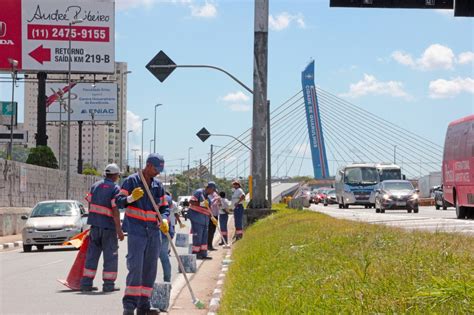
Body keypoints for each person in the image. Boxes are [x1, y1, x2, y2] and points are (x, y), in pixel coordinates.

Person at [116, 154, 170, 315]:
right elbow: (118, 201)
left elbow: (164, 207)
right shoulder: (132, 181)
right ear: (147, 165)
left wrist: (165, 219)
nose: (158, 173)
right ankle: (129, 306)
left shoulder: (158, 186)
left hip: (153, 232)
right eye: (156, 169)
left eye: (160, 170)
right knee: (136, 268)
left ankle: (144, 306)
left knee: (150, 269)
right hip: (137, 231)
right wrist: (130, 198)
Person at [80, 163, 124, 293]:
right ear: (115, 175)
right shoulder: (115, 189)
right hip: (108, 229)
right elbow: (115, 211)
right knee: (110, 256)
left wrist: (94, 220)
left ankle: (86, 284)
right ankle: (108, 285)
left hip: (95, 227)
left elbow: (90, 204)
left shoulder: (95, 186)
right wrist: (119, 230)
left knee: (92, 256)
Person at [188, 182, 217, 260]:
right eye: (213, 190)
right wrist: (201, 203)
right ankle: (196, 254)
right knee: (198, 237)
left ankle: (203, 254)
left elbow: (209, 209)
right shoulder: (199, 192)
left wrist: (212, 218)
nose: (213, 192)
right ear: (210, 188)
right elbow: (191, 202)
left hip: (205, 220)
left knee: (204, 238)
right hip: (197, 218)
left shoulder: (208, 198)